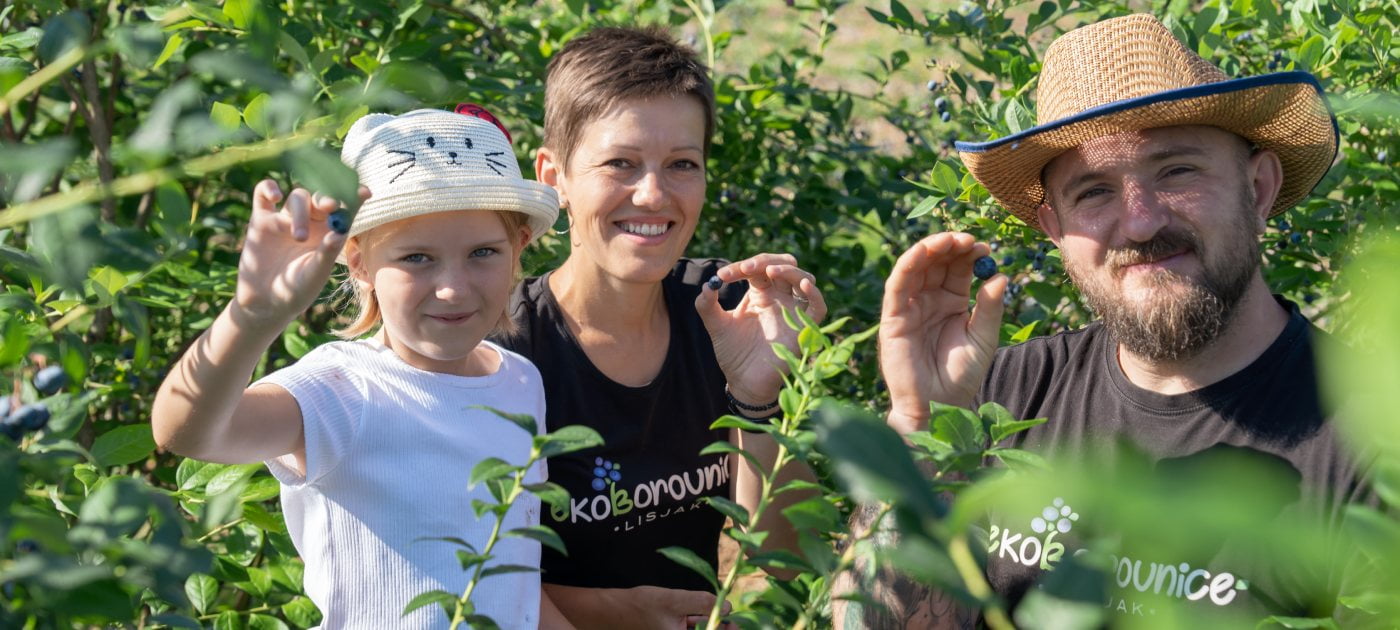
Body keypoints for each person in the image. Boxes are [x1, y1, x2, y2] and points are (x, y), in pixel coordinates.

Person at [848, 13, 1370, 627]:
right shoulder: (1001, 396)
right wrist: (919, 430)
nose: (1141, 222)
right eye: (1093, 192)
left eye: (1176, 171)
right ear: (1056, 231)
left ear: (1257, 189)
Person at [151, 106, 571, 628]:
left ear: (519, 249)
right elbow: (186, 431)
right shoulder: (341, 389)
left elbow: (514, 586)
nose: (453, 287)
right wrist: (251, 317)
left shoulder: (520, 382)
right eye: (416, 257)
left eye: (483, 251)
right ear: (359, 263)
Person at [494, 26, 826, 628]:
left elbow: (791, 563)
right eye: (620, 163)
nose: (653, 194)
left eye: (682, 164)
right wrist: (617, 613)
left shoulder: (722, 311)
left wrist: (760, 400)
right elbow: (461, 578)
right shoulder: (504, 353)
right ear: (553, 176)